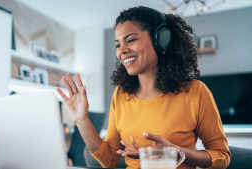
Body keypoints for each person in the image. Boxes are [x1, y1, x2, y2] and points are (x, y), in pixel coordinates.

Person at [56, 6, 231, 169]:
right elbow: (110, 159)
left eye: (130, 40)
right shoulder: (121, 95)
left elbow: (222, 156)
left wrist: (176, 152)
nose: (121, 51)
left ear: (161, 40)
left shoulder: (196, 91)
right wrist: (82, 120)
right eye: (118, 44)